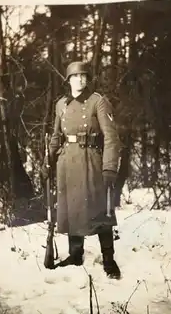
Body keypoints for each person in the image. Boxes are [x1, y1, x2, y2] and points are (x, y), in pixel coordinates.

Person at [42, 61, 122, 279]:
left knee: (101, 209)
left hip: (92, 161)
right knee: (72, 207)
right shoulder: (61, 105)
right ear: (68, 80)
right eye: (76, 76)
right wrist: (48, 161)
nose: (80, 79)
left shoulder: (98, 102)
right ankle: (75, 255)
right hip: (67, 162)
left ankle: (109, 259)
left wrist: (109, 167)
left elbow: (111, 137)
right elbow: (56, 136)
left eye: (84, 76)